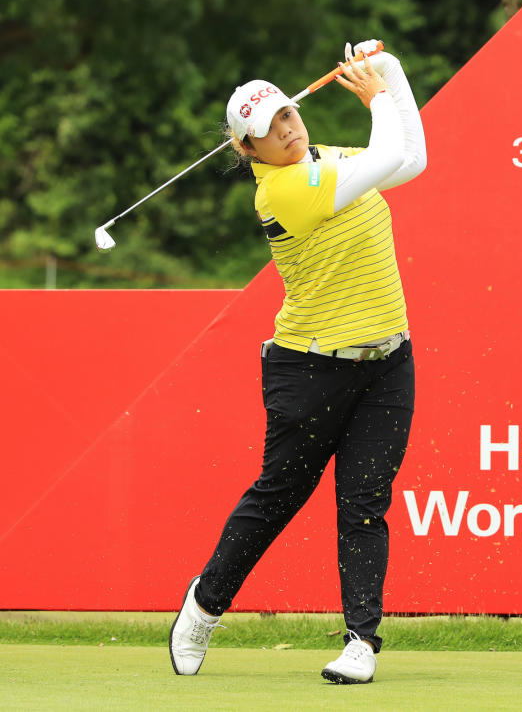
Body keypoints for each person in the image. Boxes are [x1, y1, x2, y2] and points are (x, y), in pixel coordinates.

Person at [168, 40, 427, 684]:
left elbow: (413, 159)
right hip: (310, 370)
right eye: (268, 130)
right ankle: (203, 606)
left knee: (364, 502)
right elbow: (390, 150)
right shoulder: (284, 190)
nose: (287, 130)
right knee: (280, 496)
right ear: (246, 150)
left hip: (387, 362)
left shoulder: (330, 160)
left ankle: (360, 643)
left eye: (287, 114)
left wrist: (390, 72)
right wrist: (375, 96)